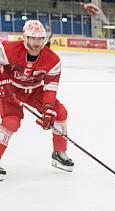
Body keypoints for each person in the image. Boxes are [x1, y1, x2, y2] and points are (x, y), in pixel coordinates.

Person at [0, 20, 73, 180]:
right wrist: (3, 82)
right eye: (33, 38)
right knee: (11, 122)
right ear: (25, 38)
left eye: (40, 38)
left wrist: (47, 110)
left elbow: (50, 88)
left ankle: (59, 152)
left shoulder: (53, 60)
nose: (36, 43)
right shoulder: (7, 50)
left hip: (34, 91)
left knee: (59, 113)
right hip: (9, 89)